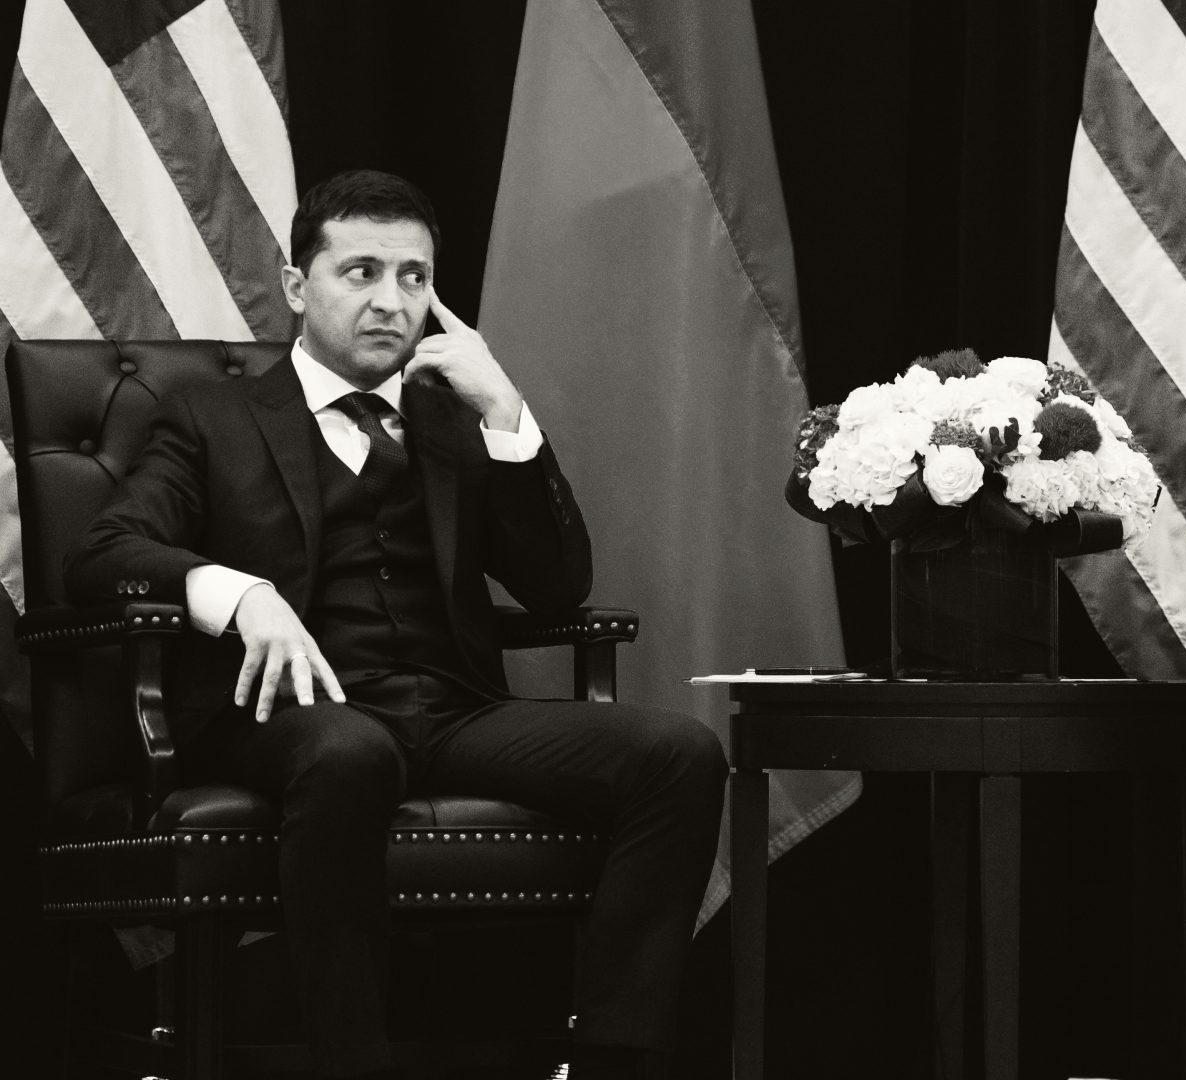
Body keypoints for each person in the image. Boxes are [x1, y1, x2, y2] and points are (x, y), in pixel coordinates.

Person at [65, 169, 727, 1080]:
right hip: (290, 714)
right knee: (349, 752)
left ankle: (613, 1060)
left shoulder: (454, 422)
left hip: (453, 710)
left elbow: (555, 588)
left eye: (414, 278)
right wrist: (239, 593)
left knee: (680, 754)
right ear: (300, 288)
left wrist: (506, 413)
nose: (392, 301)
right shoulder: (212, 417)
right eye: (362, 272)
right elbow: (103, 552)